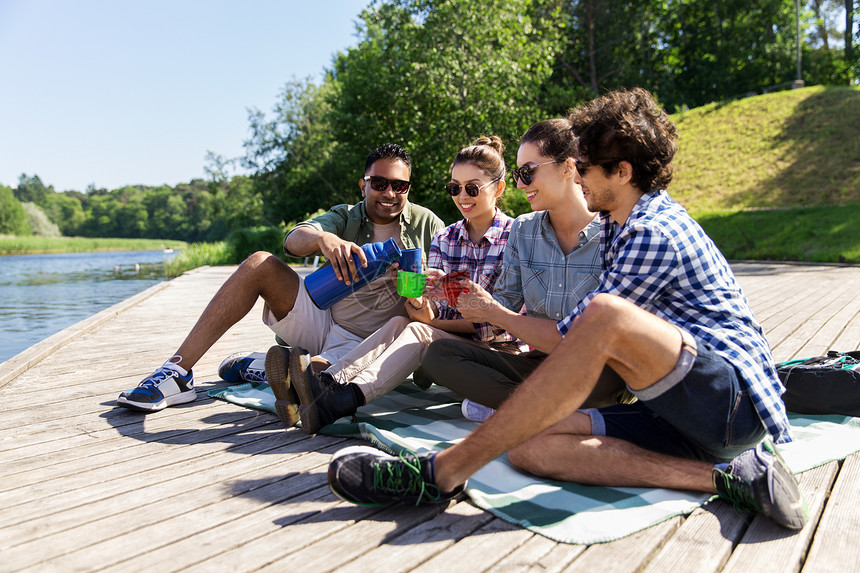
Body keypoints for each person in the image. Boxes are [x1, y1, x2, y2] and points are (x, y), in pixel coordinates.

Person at [325, 88, 809, 531]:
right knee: (532, 447)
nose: (576, 174)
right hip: (675, 412)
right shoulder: (619, 224)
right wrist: (465, 311)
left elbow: (580, 334)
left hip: (728, 404)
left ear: (621, 171)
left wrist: (497, 316)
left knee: (604, 314)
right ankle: (730, 479)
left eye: (585, 165)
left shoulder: (653, 231)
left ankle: (443, 472)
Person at [117, 144, 444, 415]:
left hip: (379, 340)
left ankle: (262, 367)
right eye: (379, 183)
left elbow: (443, 293)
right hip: (324, 319)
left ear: (408, 188)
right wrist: (322, 240)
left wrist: (417, 286)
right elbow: (293, 239)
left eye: (399, 185)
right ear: (364, 185)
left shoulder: (429, 225)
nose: (389, 192)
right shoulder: (345, 215)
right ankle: (176, 372)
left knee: (313, 381)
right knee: (260, 263)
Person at [273, 136, 517, 433]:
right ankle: (327, 384)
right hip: (457, 347)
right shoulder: (445, 238)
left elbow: (502, 323)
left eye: (472, 188)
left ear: (499, 188)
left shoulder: (517, 237)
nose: (461, 196)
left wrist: (434, 320)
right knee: (403, 320)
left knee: (415, 329)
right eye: (454, 187)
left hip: (502, 352)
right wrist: (418, 300)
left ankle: (342, 398)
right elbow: (430, 317)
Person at [421, 118, 632, 422]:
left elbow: (609, 341)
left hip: (597, 369)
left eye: (528, 172)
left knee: (607, 380)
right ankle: (549, 414)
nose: (520, 184)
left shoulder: (614, 234)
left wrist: (495, 313)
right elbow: (498, 316)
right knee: (438, 356)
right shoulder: (523, 229)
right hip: (540, 365)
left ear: (568, 166)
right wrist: (457, 294)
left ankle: (514, 410)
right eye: (519, 174)